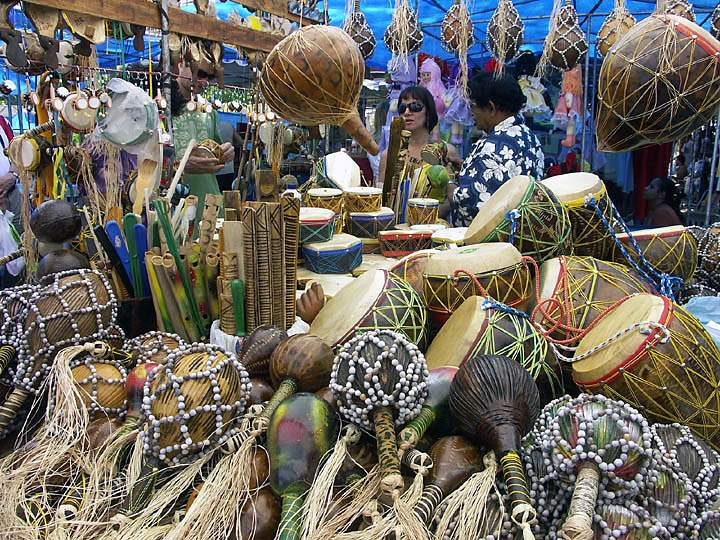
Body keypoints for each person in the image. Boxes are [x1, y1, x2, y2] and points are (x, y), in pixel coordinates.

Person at [450, 73, 545, 227]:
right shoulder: (528, 136)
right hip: (517, 235)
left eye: (473, 106)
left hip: (490, 244)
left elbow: (470, 207)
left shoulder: (493, 145)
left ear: (492, 108)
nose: (471, 112)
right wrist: (469, 168)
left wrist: (448, 182)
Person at [170, 52, 234, 225]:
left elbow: (215, 157)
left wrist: (226, 152)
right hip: (173, 208)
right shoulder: (160, 109)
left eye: (210, 77)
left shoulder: (209, 112)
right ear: (181, 63)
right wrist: (179, 166)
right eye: (201, 73)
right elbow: (147, 163)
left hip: (209, 207)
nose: (205, 82)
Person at [378, 85, 460, 188]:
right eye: (402, 108)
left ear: (428, 112)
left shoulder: (447, 152)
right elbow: (381, 195)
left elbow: (456, 197)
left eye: (415, 107)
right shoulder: (389, 155)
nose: (407, 112)